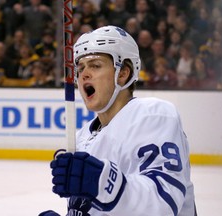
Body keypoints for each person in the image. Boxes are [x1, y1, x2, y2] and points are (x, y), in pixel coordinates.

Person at [40, 25, 197, 216]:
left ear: (123, 74)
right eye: (80, 68)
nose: (84, 74)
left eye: (95, 65)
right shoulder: (81, 137)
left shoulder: (153, 115)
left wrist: (103, 182)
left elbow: (162, 203)